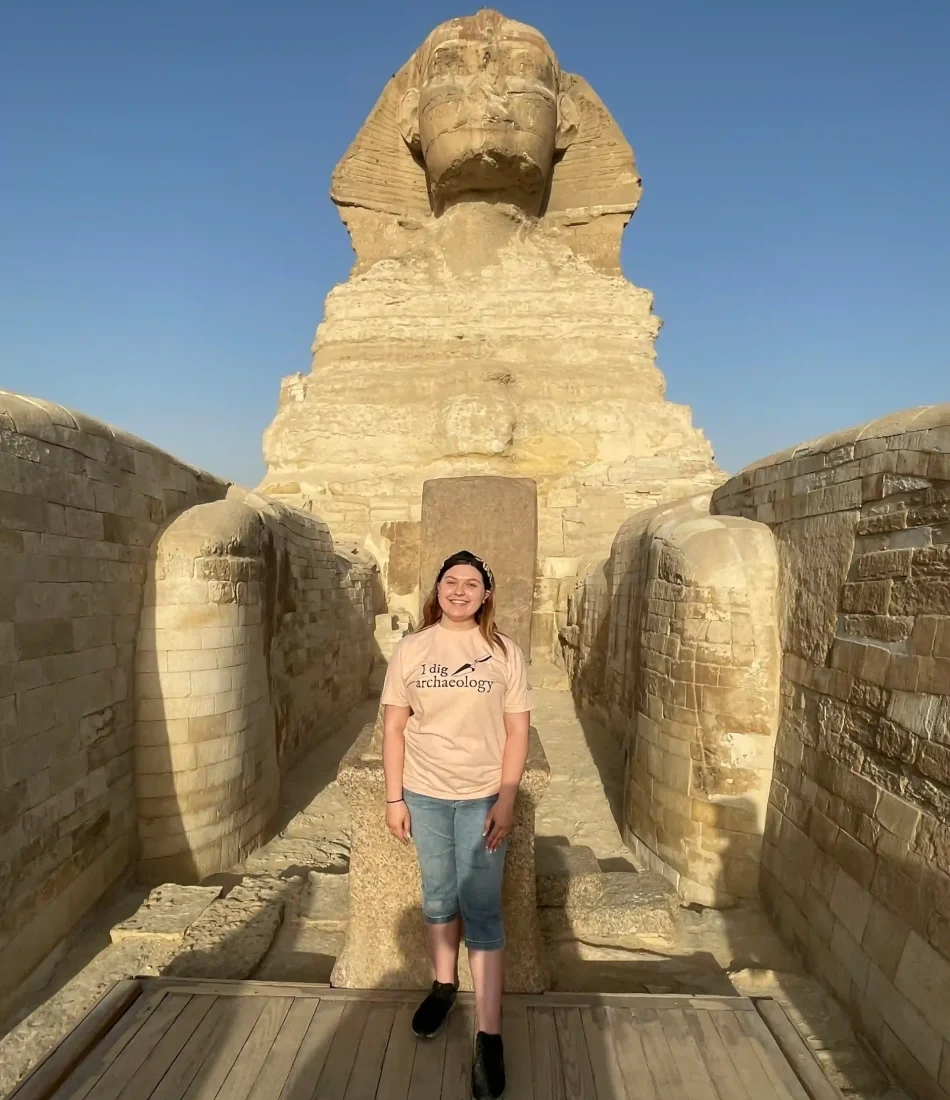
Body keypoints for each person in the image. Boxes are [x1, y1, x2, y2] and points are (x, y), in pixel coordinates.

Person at [381, 549, 531, 1100]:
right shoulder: (413, 649)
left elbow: (517, 732)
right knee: (439, 897)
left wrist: (507, 799)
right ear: (438, 589)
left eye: (472, 583)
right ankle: (444, 986)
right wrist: (395, 798)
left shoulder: (503, 654)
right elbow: (394, 728)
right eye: (451, 581)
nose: (460, 591)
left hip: (481, 796)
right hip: (425, 792)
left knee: (484, 909)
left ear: (486, 593)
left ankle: (489, 1034)